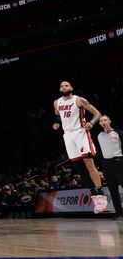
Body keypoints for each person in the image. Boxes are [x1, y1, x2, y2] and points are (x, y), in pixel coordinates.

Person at [52, 80, 107, 214]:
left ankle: (101, 195)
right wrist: (57, 124)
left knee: (89, 163)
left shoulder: (79, 100)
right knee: (79, 168)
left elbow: (97, 113)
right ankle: (94, 195)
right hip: (68, 135)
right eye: (62, 85)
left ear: (71, 88)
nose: (64, 87)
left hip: (80, 132)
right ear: (60, 89)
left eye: (66, 85)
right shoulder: (56, 102)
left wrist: (92, 123)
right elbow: (58, 116)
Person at [97, 115, 123, 217]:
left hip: (119, 162)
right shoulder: (99, 135)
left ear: (109, 121)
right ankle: (118, 212)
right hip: (107, 165)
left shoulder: (118, 133)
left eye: (105, 120)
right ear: (99, 123)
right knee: (112, 190)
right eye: (101, 120)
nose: (103, 122)